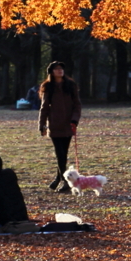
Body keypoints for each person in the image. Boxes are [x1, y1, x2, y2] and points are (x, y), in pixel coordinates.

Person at [39, 60, 82, 194]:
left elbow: (77, 105)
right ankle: (63, 181)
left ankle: (60, 179)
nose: (60, 71)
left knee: (63, 154)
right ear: (51, 72)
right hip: (55, 125)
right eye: (57, 69)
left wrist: (74, 120)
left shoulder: (71, 85)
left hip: (68, 124)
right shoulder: (48, 87)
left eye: (61, 69)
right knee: (60, 154)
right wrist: (42, 125)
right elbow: (44, 108)